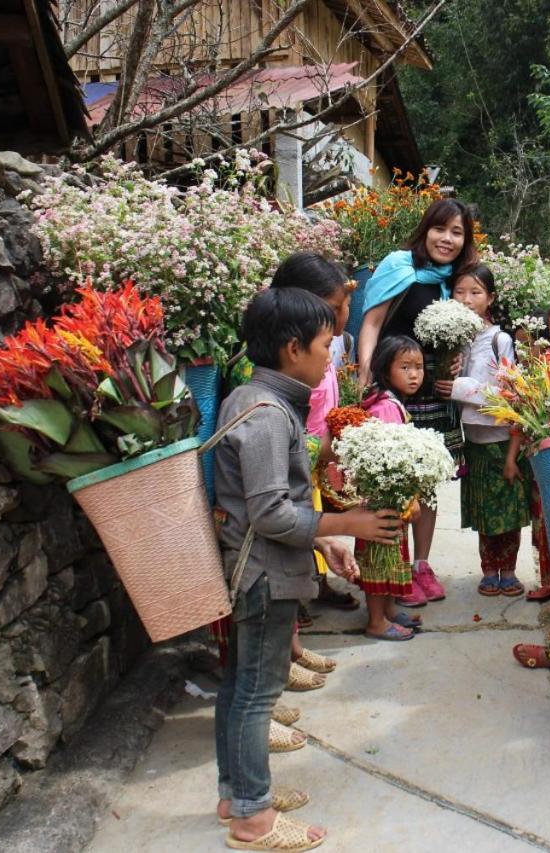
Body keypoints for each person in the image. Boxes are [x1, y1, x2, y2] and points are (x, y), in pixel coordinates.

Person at [212, 288, 402, 850]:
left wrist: (325, 546)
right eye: (325, 345)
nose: (331, 356)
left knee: (240, 683)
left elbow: (267, 504)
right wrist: (349, 526)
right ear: (293, 349)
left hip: (261, 568)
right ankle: (252, 817)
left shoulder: (252, 397)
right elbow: (271, 511)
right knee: (256, 691)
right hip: (264, 575)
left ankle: (236, 794)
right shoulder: (270, 416)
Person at [356, 199, 479, 604]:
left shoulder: (455, 279)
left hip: (435, 390)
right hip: (393, 384)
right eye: (440, 228)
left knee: (426, 482)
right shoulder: (399, 266)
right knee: (392, 479)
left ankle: (421, 565)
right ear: (426, 228)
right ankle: (389, 568)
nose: (447, 239)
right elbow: (371, 322)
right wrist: (364, 372)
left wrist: (455, 359)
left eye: (457, 232)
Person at [268, 251, 362, 620]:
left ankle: (312, 587)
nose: (339, 316)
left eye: (343, 305)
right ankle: (291, 609)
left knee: (312, 516)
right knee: (294, 525)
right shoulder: (278, 364)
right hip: (297, 460)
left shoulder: (325, 345)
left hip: (315, 457)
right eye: (331, 307)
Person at [448, 265, 533, 597]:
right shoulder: (453, 339)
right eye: (460, 292)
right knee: (484, 511)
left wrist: (459, 387)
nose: (467, 300)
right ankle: (488, 570)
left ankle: (508, 570)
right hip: (474, 443)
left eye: (476, 292)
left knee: (508, 512)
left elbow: (510, 396)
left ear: (490, 298)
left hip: (501, 443)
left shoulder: (499, 339)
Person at [355, 334, 429, 641]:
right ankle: (375, 621)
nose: (414, 374)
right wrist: (409, 497)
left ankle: (385, 612)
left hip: (388, 501)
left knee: (392, 558)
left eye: (419, 367)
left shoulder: (389, 402)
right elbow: (392, 461)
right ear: (386, 370)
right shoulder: (386, 408)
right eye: (405, 367)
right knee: (380, 559)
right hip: (383, 503)